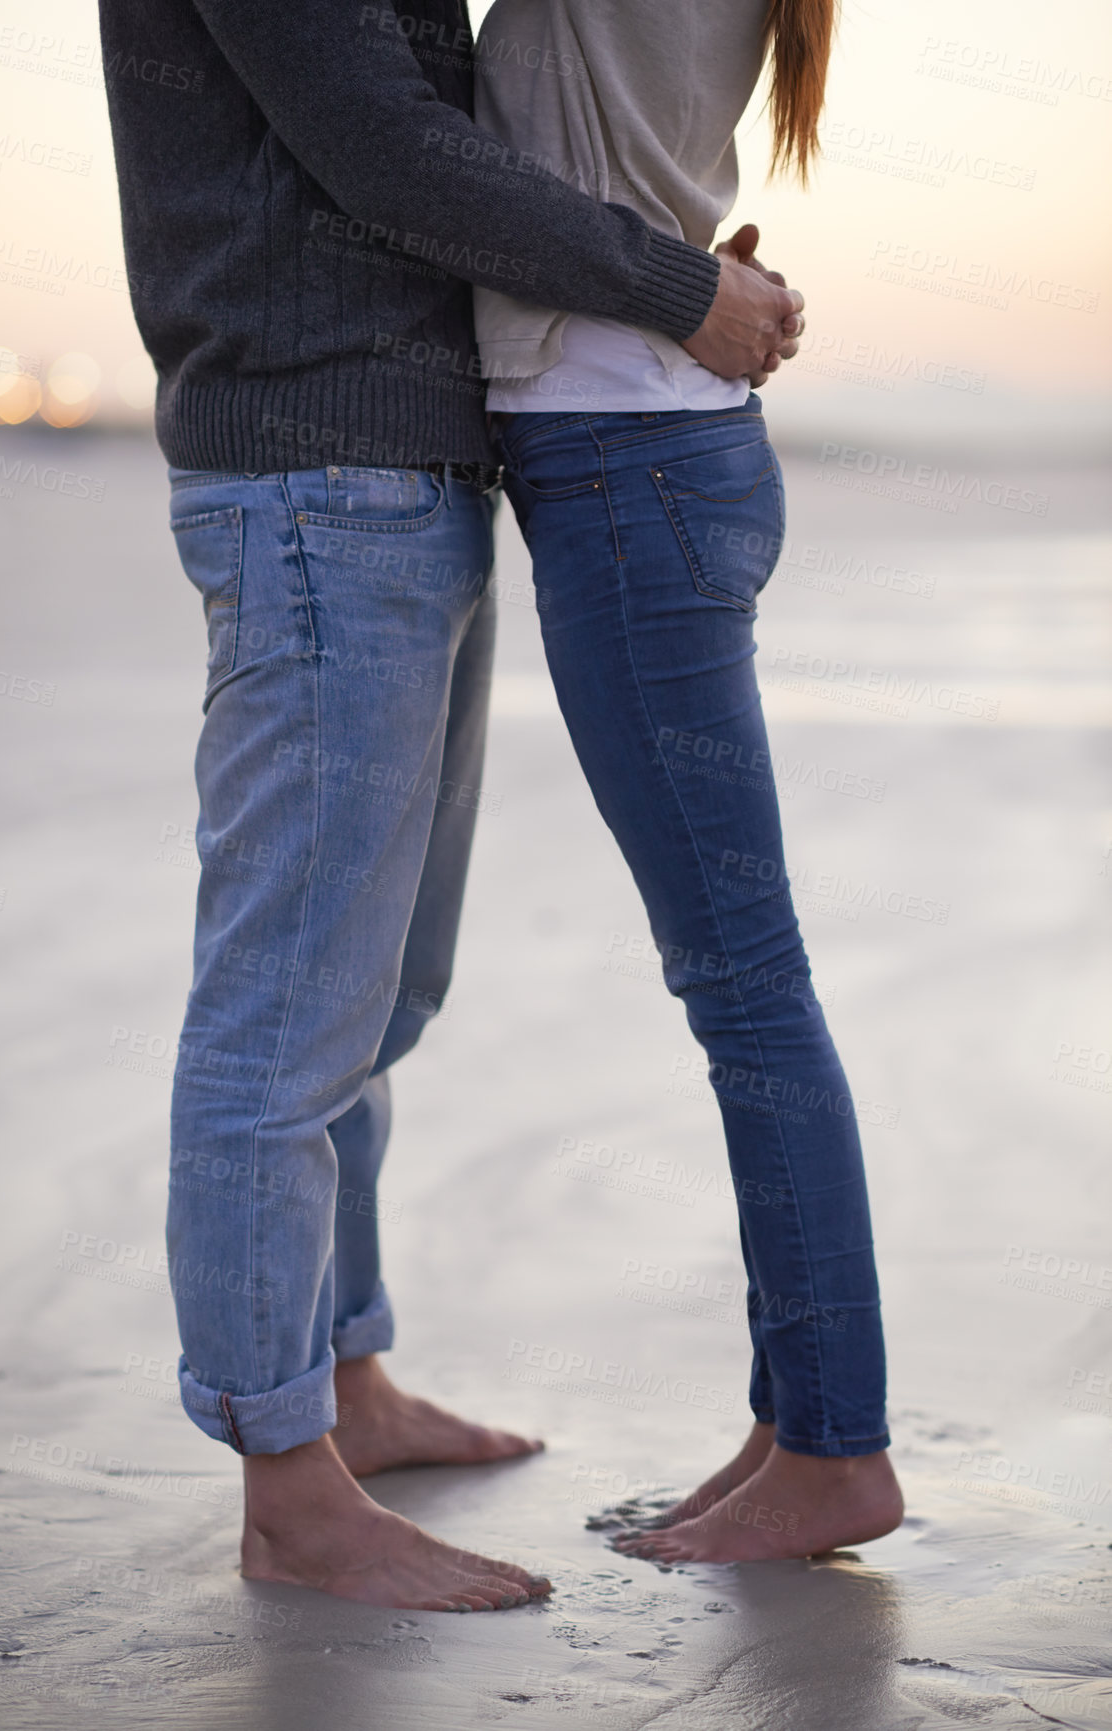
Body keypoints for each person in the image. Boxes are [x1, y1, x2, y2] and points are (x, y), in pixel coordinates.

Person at [98, 0, 804, 1610]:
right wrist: (681, 289)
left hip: (410, 468)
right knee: (285, 1016)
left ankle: (345, 1382)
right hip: (311, 474)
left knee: (381, 993)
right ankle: (289, 1486)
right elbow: (392, 153)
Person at [476, 0, 905, 1562]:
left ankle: (838, 1447)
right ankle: (797, 1417)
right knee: (745, 977)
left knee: (745, 984)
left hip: (627, 465)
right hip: (655, 450)